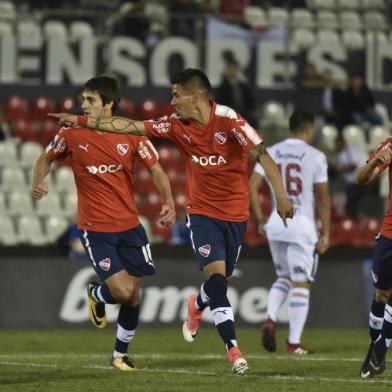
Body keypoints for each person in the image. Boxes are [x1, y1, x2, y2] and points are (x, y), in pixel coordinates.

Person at [49, 68, 294, 375]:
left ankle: (196, 306)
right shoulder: (175, 124)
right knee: (218, 282)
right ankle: (234, 351)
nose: (172, 100)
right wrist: (82, 121)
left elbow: (264, 157)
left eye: (177, 94)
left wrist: (281, 196)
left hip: (235, 216)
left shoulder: (231, 121)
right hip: (201, 214)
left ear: (197, 96)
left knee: (216, 285)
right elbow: (130, 125)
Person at [32, 75, 175, 371]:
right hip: (95, 228)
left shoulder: (130, 133)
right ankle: (96, 293)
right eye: (82, 99)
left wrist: (169, 201)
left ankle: (120, 354)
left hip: (130, 225)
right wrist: (38, 182)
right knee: (122, 292)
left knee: (134, 293)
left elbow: (157, 170)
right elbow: (44, 159)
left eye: (90, 100)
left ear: (109, 104)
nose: (82, 105)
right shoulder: (70, 133)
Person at [249, 111, 331, 354]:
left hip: (276, 223)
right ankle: (293, 342)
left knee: (283, 277)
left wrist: (261, 218)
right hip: (302, 224)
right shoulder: (316, 156)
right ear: (309, 128)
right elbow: (324, 197)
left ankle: (271, 317)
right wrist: (326, 232)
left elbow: (251, 186)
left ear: (290, 127)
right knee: (301, 283)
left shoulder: (271, 151)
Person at [357, 138, 392, 378]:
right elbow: (361, 179)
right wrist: (373, 165)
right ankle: (374, 346)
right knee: (381, 295)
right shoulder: (389, 145)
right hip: (389, 233)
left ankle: (380, 349)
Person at [215, 56, 257, 127]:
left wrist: (253, 110)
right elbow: (219, 103)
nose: (232, 70)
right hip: (228, 114)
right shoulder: (222, 87)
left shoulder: (242, 86)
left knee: (253, 120)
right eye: (230, 68)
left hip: (243, 113)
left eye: (234, 68)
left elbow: (251, 102)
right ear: (227, 69)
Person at [334, 134, 367, 219]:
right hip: (351, 183)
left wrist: (341, 169)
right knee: (350, 207)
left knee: (352, 207)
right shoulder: (340, 152)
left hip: (356, 182)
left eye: (338, 143)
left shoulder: (349, 150)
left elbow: (353, 165)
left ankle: (355, 226)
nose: (336, 145)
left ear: (342, 142)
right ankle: (352, 225)